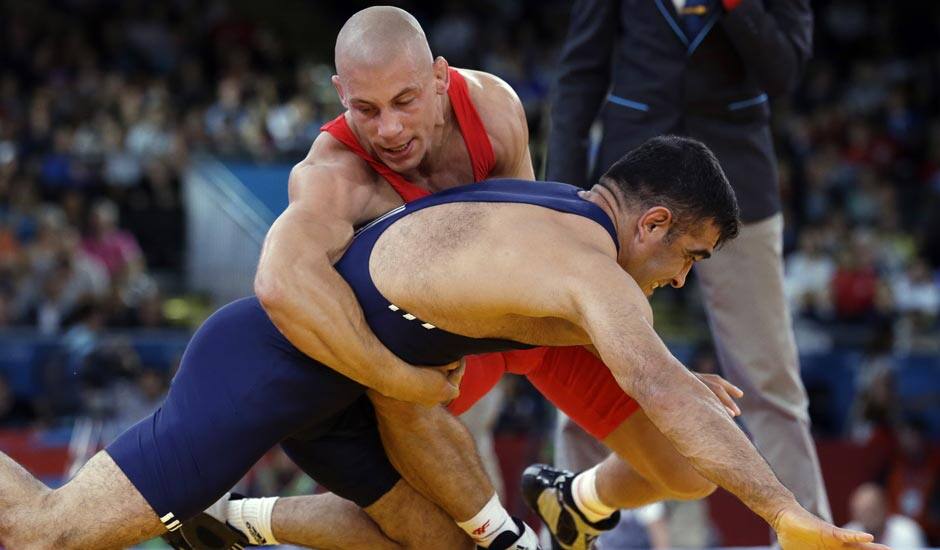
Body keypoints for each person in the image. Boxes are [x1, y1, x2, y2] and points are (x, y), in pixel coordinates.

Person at [0, 137, 886, 550]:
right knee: (48, 533)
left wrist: (657, 366)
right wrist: (787, 514)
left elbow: (579, 334)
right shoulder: (584, 262)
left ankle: (236, 527)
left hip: (346, 396)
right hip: (268, 364)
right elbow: (650, 385)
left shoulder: (555, 212)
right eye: (688, 256)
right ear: (651, 221)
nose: (683, 278)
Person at [544, 0, 828, 546]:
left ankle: (810, 535)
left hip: (739, 186)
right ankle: (568, 532)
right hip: (631, 192)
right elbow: (580, 71)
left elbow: (786, 71)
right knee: (582, 359)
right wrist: (560, 193)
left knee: (768, 378)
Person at [844, 483, 926, 549]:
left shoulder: (908, 531)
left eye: (871, 510)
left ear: (884, 507)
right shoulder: (846, 535)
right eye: (860, 512)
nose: (867, 517)